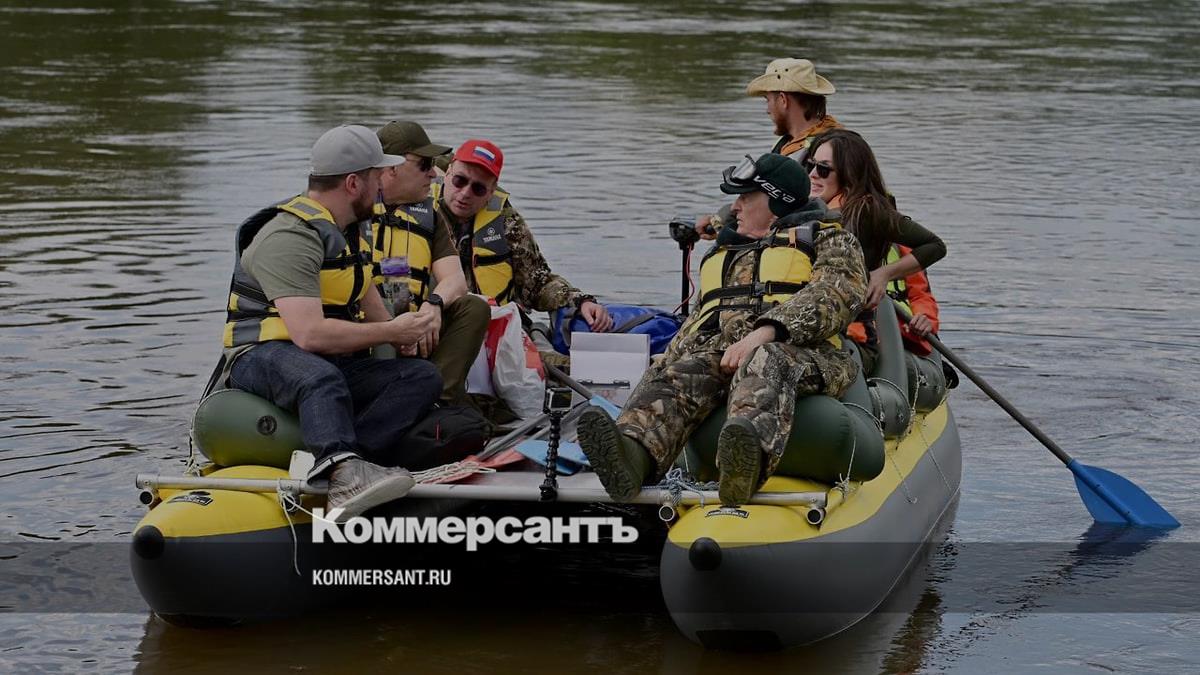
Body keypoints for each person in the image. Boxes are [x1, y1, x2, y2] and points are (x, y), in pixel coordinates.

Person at [578, 153, 867, 506]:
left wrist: (765, 332)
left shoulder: (830, 241)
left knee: (766, 359)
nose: (736, 206)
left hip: (807, 355)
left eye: (746, 198)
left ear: (776, 205)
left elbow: (834, 295)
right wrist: (660, 371)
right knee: (679, 373)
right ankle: (631, 457)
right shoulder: (729, 251)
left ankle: (744, 464)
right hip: (726, 353)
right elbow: (701, 320)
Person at [222, 125, 443, 520]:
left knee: (419, 377)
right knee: (320, 377)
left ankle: (350, 462)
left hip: (317, 357)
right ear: (354, 182)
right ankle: (343, 474)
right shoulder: (289, 236)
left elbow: (366, 294)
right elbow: (309, 335)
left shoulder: (349, 230)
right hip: (259, 355)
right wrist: (391, 332)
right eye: (379, 176)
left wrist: (402, 337)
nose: (384, 184)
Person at [803, 128, 946, 372]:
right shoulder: (803, 211)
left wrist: (884, 274)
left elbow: (934, 246)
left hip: (852, 335)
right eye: (811, 165)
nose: (814, 174)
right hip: (808, 324)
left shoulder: (868, 211)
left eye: (824, 169)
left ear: (848, 174)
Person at [434, 139, 613, 332]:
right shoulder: (418, 210)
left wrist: (580, 301)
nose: (465, 193)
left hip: (494, 327)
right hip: (436, 321)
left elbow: (537, 283)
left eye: (478, 188)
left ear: (492, 191)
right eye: (460, 180)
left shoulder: (507, 223)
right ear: (449, 171)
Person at [372, 121, 491, 407]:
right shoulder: (354, 207)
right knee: (386, 310)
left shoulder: (428, 215)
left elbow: (455, 281)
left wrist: (434, 305)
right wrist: (395, 329)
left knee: (474, 307)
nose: (433, 172)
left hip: (413, 326)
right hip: (366, 330)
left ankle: (437, 401)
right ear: (391, 168)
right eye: (424, 164)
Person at [695, 58, 843, 240]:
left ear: (782, 100)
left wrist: (723, 223)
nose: (767, 109)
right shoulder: (787, 144)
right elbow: (763, 195)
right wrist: (719, 220)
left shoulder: (833, 147)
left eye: (768, 100)